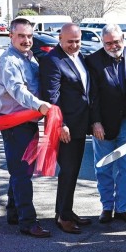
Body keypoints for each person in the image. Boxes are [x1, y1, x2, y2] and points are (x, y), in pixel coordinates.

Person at [0, 17, 52, 238]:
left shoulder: (30, 58)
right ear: (11, 36)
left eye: (29, 36)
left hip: (27, 122)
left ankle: (13, 212)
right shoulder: (9, 61)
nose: (26, 40)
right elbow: (18, 90)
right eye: (21, 36)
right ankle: (28, 222)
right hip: (14, 123)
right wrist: (40, 105)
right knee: (22, 173)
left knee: (19, 170)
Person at [86, 24, 126, 224]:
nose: (112, 46)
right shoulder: (92, 61)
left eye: (116, 42)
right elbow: (92, 96)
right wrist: (95, 122)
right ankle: (107, 207)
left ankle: (123, 208)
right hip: (103, 123)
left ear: (123, 38)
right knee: (103, 168)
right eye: (108, 43)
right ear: (102, 42)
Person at [39, 23, 92, 234]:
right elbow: (51, 97)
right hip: (65, 126)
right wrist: (61, 124)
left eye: (77, 41)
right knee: (68, 171)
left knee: (73, 170)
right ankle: (63, 217)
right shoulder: (52, 60)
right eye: (70, 41)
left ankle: (65, 210)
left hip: (80, 124)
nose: (74, 45)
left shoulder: (79, 56)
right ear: (60, 38)